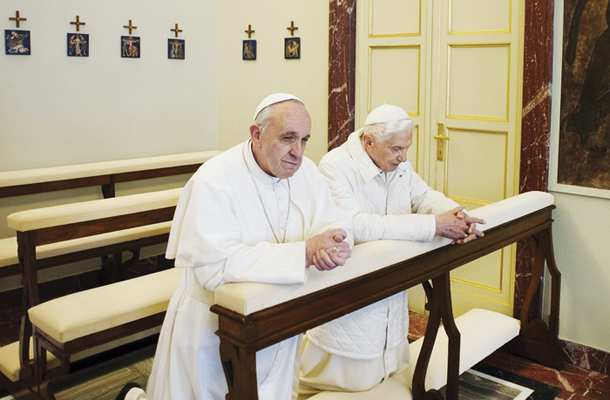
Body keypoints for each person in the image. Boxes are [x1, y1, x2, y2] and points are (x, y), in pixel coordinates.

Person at [117, 93, 353, 400]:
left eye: (305, 140)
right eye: (287, 138)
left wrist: (332, 242)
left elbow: (330, 221)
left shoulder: (306, 171)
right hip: (213, 327)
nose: (298, 152)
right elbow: (215, 269)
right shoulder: (214, 180)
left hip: (276, 319)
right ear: (256, 134)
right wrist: (305, 252)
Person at [299, 104, 485, 395]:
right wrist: (434, 226)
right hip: (352, 282)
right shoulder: (334, 165)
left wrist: (455, 214)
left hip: (391, 279)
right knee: (345, 382)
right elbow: (356, 226)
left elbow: (423, 195)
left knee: (389, 374)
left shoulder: (397, 162)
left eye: (406, 148)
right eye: (397, 149)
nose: (404, 157)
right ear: (369, 142)